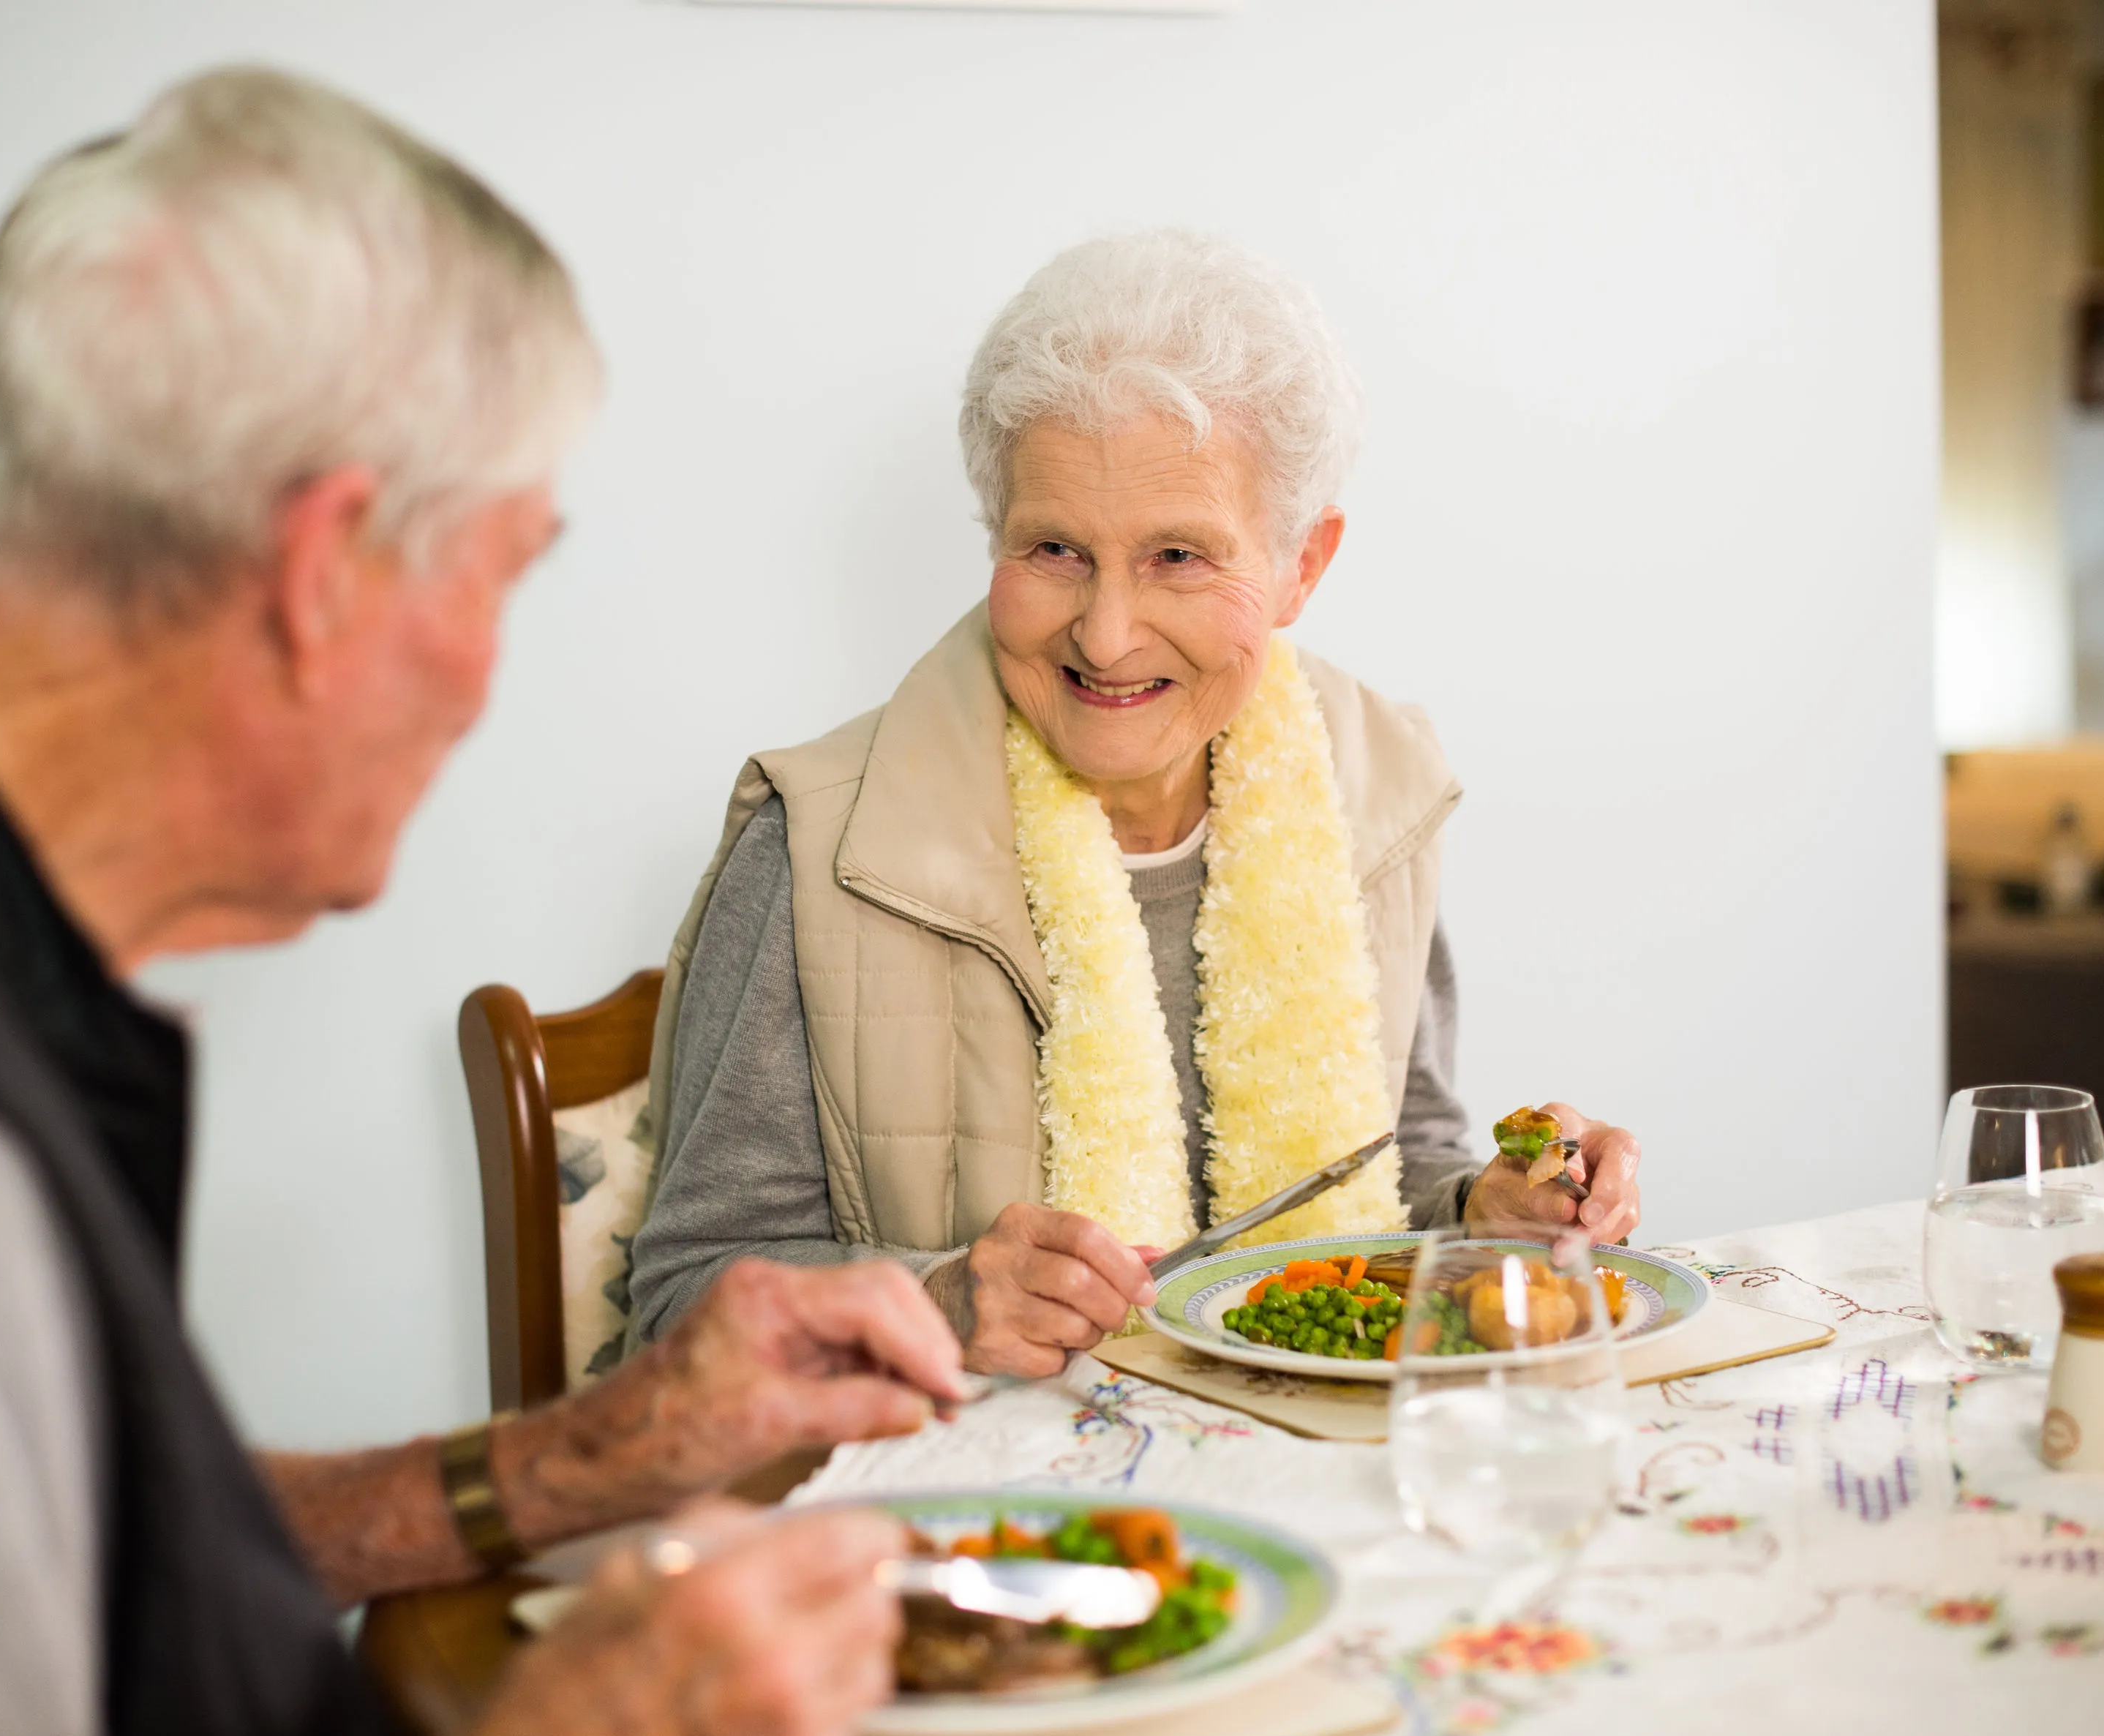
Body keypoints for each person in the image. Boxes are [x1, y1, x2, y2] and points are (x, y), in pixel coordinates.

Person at [0, 69, 965, 1736]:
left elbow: (89, 1543)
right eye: (503, 575)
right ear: (326, 567)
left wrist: (588, 1453)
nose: (488, 678)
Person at [629, 232, 1645, 1378]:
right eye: (1055, 549)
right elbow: (674, 1308)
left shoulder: (1376, 793)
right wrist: (940, 1302)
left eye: (1178, 556)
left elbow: (1391, 1168)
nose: (1106, 636)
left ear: (1304, 565)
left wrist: (1488, 1217)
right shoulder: (817, 845)